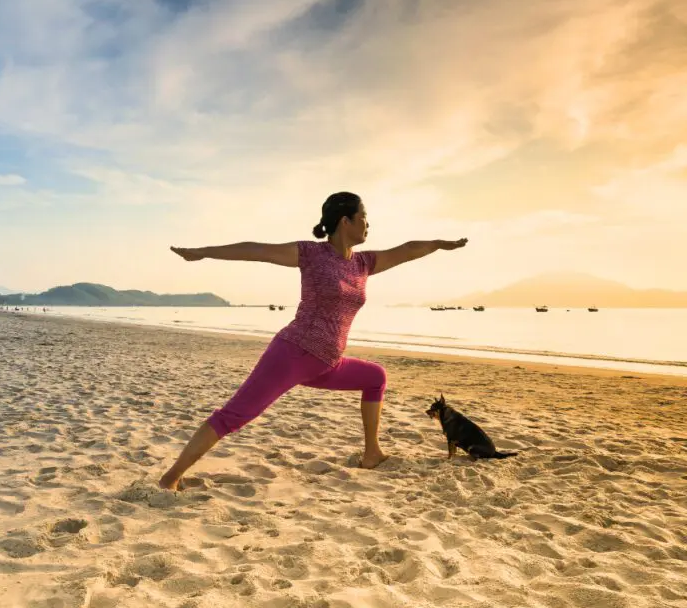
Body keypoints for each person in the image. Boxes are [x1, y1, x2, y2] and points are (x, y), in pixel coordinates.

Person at [159, 192, 468, 490]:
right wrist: (203, 252)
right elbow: (257, 250)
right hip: (293, 354)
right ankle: (170, 478)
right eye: (363, 217)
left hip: (327, 364)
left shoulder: (363, 264)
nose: (368, 224)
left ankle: (372, 453)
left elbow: (407, 249)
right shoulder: (310, 253)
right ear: (345, 221)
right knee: (233, 417)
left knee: (376, 377)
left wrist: (439, 245)